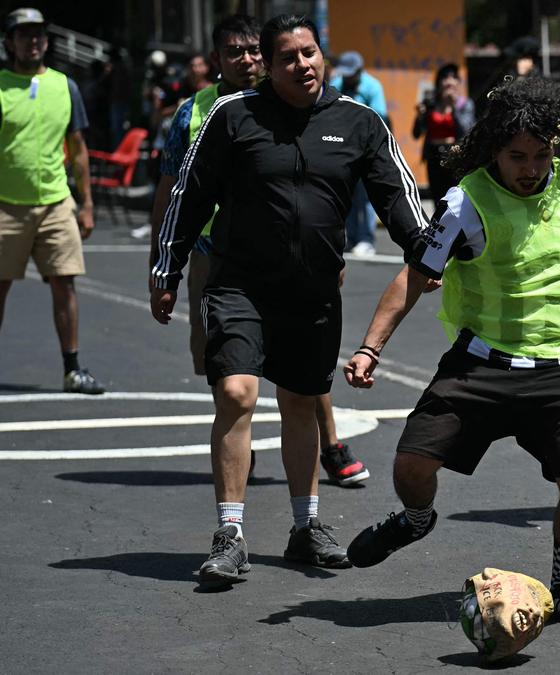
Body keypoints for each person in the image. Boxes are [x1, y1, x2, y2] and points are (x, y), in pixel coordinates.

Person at [342, 76, 560, 628]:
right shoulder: (466, 200)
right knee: (410, 463)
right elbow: (414, 277)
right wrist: (369, 348)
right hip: (482, 364)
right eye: (516, 156)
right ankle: (415, 519)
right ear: (493, 152)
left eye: (541, 154)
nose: (530, 167)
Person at [149, 14, 427, 589]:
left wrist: (425, 246)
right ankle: (230, 535)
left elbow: (395, 192)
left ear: (321, 55)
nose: (301, 64)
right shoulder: (233, 117)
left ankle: (306, 527)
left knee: (302, 402)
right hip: (239, 283)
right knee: (236, 389)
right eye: (287, 57)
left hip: (314, 290)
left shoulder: (358, 121)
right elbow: (190, 192)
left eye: (309, 52)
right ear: (268, 68)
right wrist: (167, 266)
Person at [148, 15, 370, 488]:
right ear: (217, 60)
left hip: (297, 258)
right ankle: (237, 457)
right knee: (228, 370)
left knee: (303, 369)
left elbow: (317, 190)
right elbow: (173, 191)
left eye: (253, 51)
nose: (246, 59)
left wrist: (333, 251)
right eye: (235, 52)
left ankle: (330, 445)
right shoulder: (196, 112)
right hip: (218, 253)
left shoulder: (302, 107)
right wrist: (163, 264)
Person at [0, 8, 103, 395]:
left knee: (65, 283)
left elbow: (78, 150)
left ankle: (72, 369)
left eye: (38, 34)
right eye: (23, 35)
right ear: (9, 42)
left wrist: (87, 203)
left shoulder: (65, 86)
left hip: (56, 202)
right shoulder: (1, 84)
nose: (33, 41)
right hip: (5, 204)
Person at [329, 50, 388, 257]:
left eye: (351, 73)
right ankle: (352, 237)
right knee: (348, 196)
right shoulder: (336, 83)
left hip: (366, 150)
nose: (347, 77)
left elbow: (379, 118)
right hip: (342, 152)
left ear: (360, 71)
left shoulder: (373, 87)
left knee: (366, 198)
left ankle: (366, 239)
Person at [412, 62, 476, 203]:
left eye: (453, 77)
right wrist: (420, 116)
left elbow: (467, 131)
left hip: (455, 154)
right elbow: (417, 133)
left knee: (455, 198)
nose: (449, 81)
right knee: (438, 198)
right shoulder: (431, 104)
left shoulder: (464, 104)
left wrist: (453, 108)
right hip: (434, 156)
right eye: (445, 78)